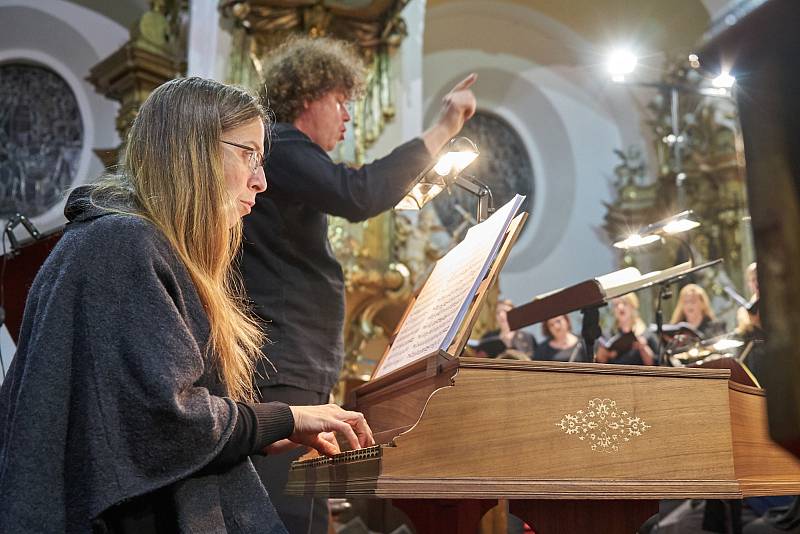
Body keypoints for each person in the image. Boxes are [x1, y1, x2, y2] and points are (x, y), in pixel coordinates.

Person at [0, 77, 374, 534]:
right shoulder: (123, 243)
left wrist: (263, 429)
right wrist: (282, 418)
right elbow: (169, 421)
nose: (261, 180)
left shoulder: (126, 240)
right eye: (248, 154)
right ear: (194, 150)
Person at [239, 36, 477, 531]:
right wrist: (444, 128)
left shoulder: (287, 153)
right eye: (341, 101)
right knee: (282, 515)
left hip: (296, 359)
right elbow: (359, 194)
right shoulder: (282, 144)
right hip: (283, 361)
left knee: (301, 511)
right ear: (309, 95)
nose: (348, 116)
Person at [595, 293, 657, 366]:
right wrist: (602, 356)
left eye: (624, 303)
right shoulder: (607, 335)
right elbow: (599, 364)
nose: (620, 307)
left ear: (633, 306)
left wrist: (643, 348)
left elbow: (656, 365)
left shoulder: (647, 334)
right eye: (616, 305)